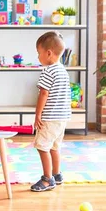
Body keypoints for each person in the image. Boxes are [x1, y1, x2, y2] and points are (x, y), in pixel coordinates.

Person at [30, 31, 71, 192]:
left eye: (38, 53)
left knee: (42, 146)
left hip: (50, 118)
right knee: (55, 146)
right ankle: (57, 174)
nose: (38, 57)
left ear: (48, 53)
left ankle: (48, 179)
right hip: (62, 118)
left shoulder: (48, 71)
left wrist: (38, 114)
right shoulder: (62, 70)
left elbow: (44, 93)